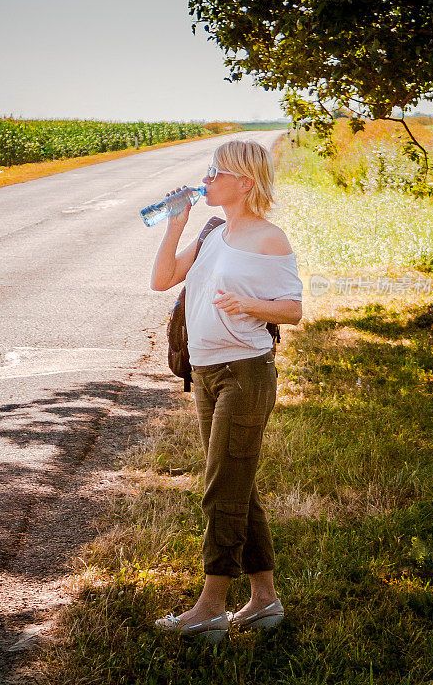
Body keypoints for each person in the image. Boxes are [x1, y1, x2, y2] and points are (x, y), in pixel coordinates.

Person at [150, 139, 303, 643]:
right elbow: (163, 279)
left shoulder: (269, 238)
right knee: (239, 486)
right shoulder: (214, 230)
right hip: (207, 374)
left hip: (246, 373)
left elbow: (293, 309)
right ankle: (264, 601)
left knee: (221, 487)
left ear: (246, 183)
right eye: (208, 170)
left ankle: (211, 608)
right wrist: (176, 221)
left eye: (217, 171)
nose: (207, 177)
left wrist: (250, 305)